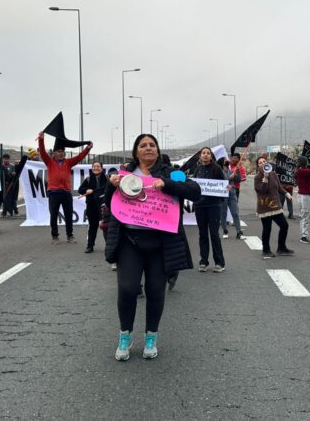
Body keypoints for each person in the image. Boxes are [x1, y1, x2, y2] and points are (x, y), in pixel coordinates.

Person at [104, 134, 201, 361]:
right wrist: (111, 186)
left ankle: (151, 337)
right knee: (127, 289)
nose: (148, 148)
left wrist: (167, 184)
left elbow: (194, 191)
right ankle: (125, 335)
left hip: (160, 243)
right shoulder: (124, 175)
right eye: (143, 145)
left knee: (156, 291)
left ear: (157, 150)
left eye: (152, 145)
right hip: (130, 242)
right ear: (135, 151)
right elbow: (110, 203)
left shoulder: (170, 172)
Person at [38, 131, 93, 244]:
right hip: (53, 192)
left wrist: (88, 148)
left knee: (68, 215)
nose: (62, 153)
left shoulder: (68, 162)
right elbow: (42, 152)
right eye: (59, 151)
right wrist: (41, 139)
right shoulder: (49, 162)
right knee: (53, 215)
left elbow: (79, 157)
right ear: (54, 153)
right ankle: (55, 236)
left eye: (63, 151)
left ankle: (70, 235)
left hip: (66, 192)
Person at [191, 147, 227, 273]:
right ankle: (203, 261)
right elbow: (194, 186)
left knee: (214, 234)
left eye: (208, 153)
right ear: (200, 156)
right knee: (202, 234)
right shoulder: (197, 169)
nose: (205, 155)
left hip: (213, 206)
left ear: (211, 156)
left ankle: (219, 262)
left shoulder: (217, 169)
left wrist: (226, 188)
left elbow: (223, 185)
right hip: (200, 206)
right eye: (203, 153)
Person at [255, 156, 295, 259]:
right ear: (258, 166)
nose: (263, 163)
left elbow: (279, 187)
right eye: (260, 162)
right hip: (265, 207)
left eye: (264, 161)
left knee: (284, 225)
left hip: (275, 206)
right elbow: (261, 190)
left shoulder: (273, 174)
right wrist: (265, 178)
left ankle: (281, 248)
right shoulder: (257, 177)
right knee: (267, 229)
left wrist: (287, 194)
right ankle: (266, 250)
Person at [78, 161, 107, 253]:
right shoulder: (88, 179)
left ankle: (109, 246)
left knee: (106, 227)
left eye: (98, 166)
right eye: (94, 166)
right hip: (92, 206)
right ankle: (90, 245)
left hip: (104, 206)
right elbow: (80, 190)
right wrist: (87, 190)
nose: (96, 168)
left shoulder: (107, 178)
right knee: (92, 227)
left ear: (102, 168)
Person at [220, 154, 245, 240]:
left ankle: (239, 232)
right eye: (224, 161)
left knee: (235, 212)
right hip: (222, 195)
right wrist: (227, 179)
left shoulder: (232, 170)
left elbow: (238, 179)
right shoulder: (218, 171)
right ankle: (225, 230)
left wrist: (236, 172)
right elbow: (216, 182)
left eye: (226, 161)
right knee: (223, 213)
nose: (226, 162)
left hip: (232, 193)